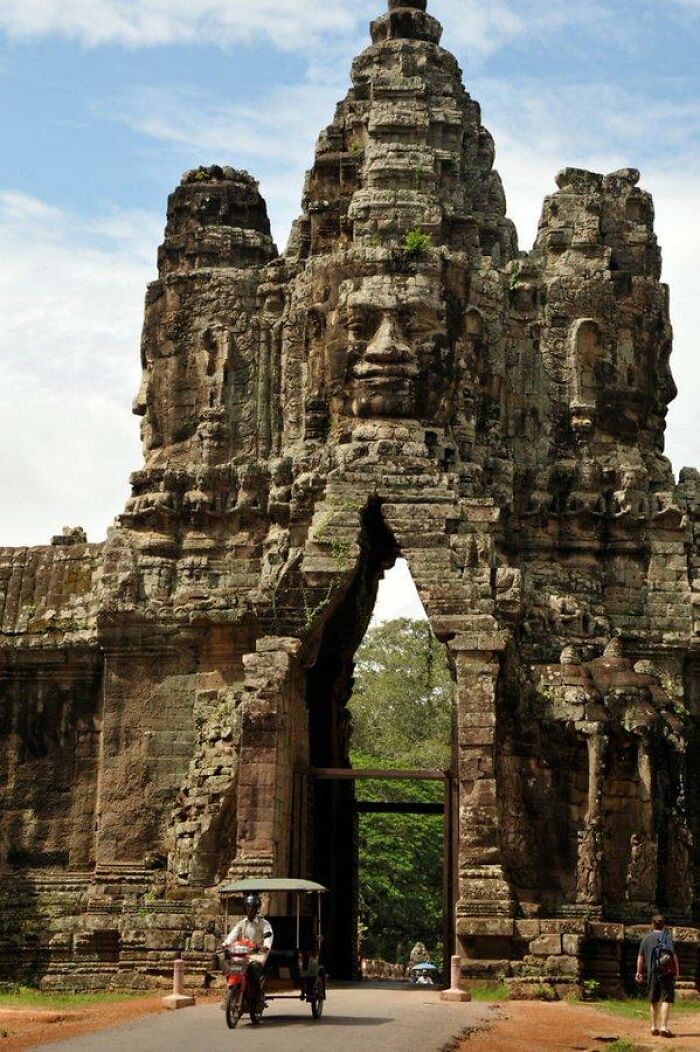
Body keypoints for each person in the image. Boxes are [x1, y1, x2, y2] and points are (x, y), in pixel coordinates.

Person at [224, 893, 273, 1007]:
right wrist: (225, 944)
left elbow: (268, 937)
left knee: (254, 968)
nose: (250, 910)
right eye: (248, 908)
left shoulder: (264, 923)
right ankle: (231, 995)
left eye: (252, 908)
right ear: (245, 909)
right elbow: (233, 935)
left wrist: (265, 946)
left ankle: (257, 995)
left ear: (256, 909)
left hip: (257, 953)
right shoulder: (241, 923)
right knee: (231, 968)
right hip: (242, 953)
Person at [636, 914, 680, 1038]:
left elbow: (640, 957)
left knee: (654, 1000)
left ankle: (654, 1026)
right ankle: (664, 1027)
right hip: (667, 973)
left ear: (652, 925)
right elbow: (673, 956)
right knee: (666, 999)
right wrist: (677, 971)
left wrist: (639, 972)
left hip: (652, 973)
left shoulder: (646, 938)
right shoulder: (667, 937)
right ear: (664, 926)